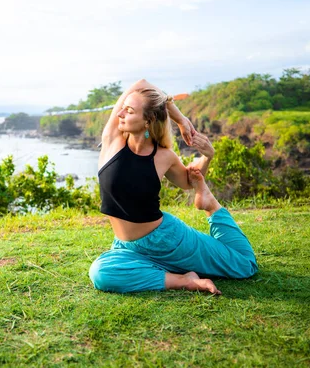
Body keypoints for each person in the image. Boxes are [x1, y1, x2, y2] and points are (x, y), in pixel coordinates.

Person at [89, 79, 258, 294]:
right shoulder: (113, 140)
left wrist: (208, 157)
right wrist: (180, 118)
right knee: (100, 273)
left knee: (244, 265)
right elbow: (141, 83)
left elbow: (188, 182)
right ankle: (184, 279)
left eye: (129, 111)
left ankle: (211, 205)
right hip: (127, 247)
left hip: (168, 241)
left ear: (148, 120)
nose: (120, 113)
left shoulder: (163, 156)